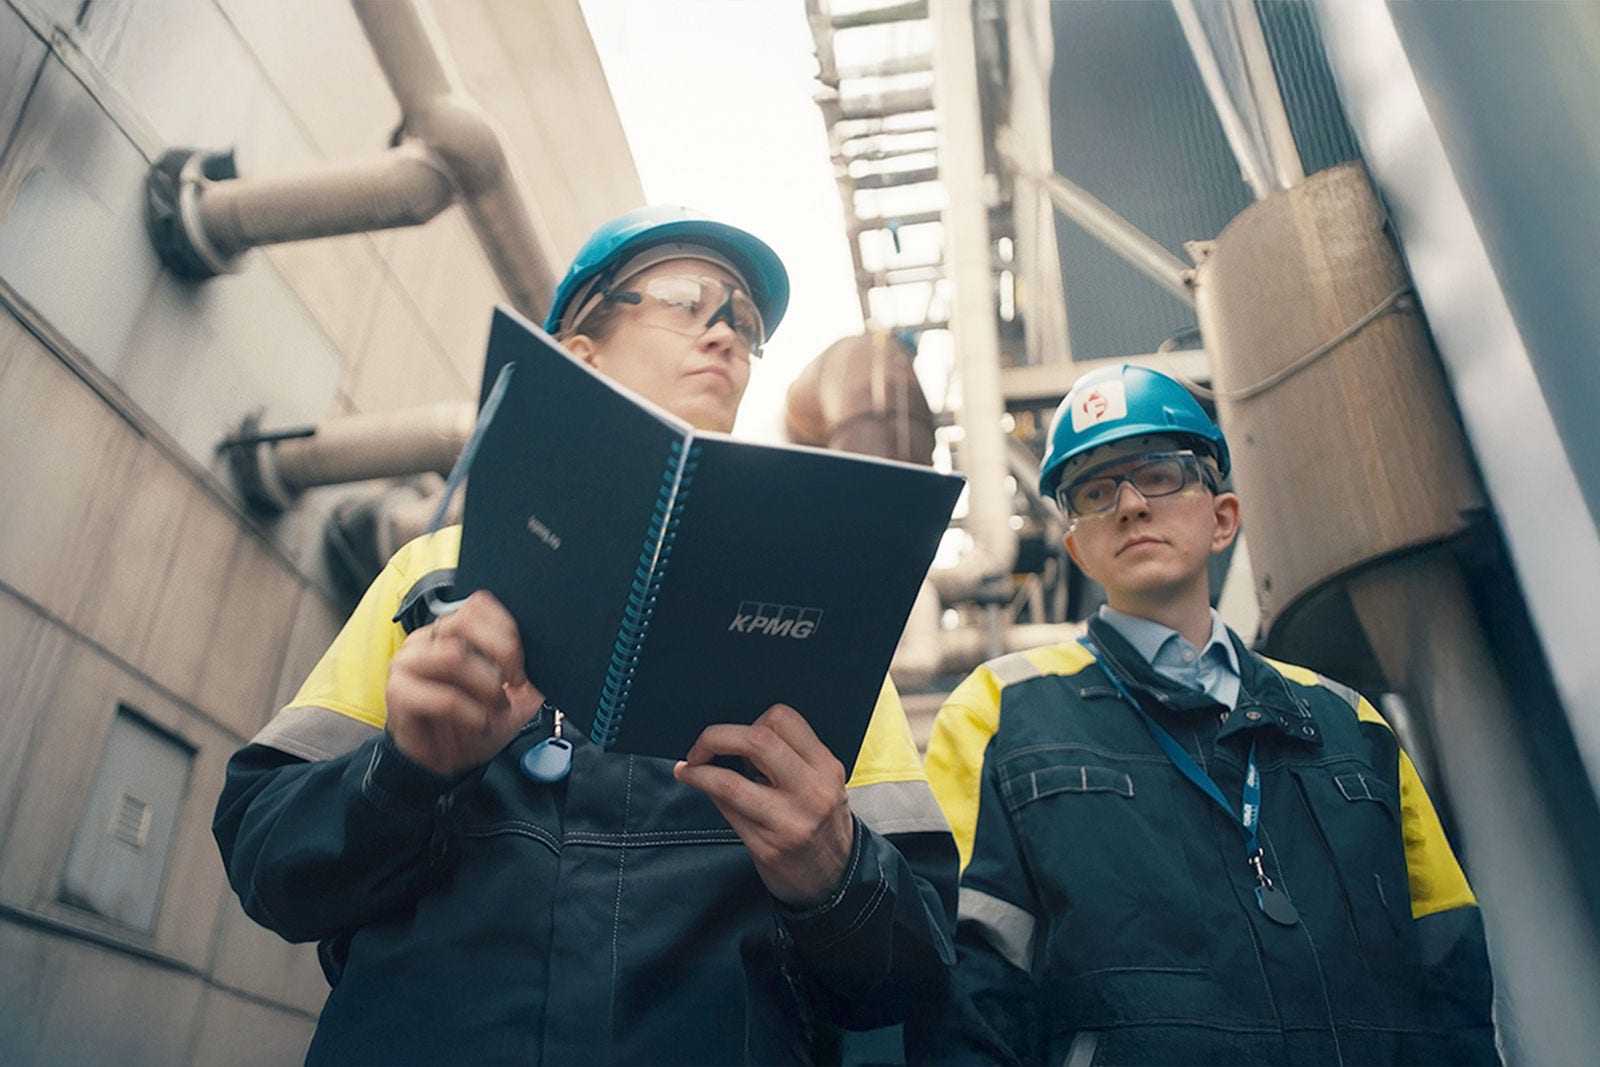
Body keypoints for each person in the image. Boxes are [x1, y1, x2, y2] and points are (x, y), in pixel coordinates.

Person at [214, 206, 957, 1065]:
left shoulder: (824, 608)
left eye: (745, 323)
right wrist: (401, 774)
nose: (725, 333)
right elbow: (269, 862)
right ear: (579, 353)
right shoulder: (439, 573)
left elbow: (918, 972)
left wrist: (835, 876)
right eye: (686, 298)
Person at [916, 364, 1497, 1065]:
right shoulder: (999, 711)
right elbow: (966, 995)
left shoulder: (1351, 724)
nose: (1129, 504)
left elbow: (1450, 973)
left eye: (1158, 474)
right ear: (1079, 546)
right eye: (1095, 491)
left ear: (1223, 517)